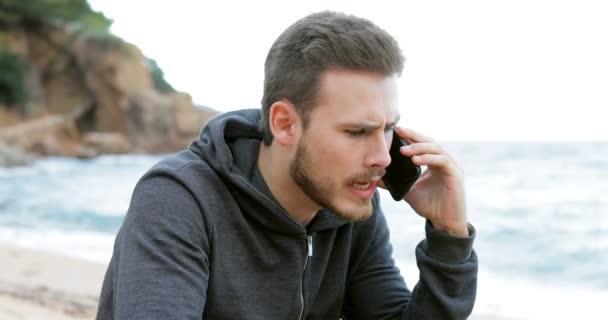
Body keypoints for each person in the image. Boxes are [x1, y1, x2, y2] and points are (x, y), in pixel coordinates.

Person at [96, 11, 477, 320]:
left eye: (388, 128)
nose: (381, 156)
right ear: (284, 124)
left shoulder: (349, 206)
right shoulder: (178, 200)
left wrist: (449, 237)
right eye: (357, 131)